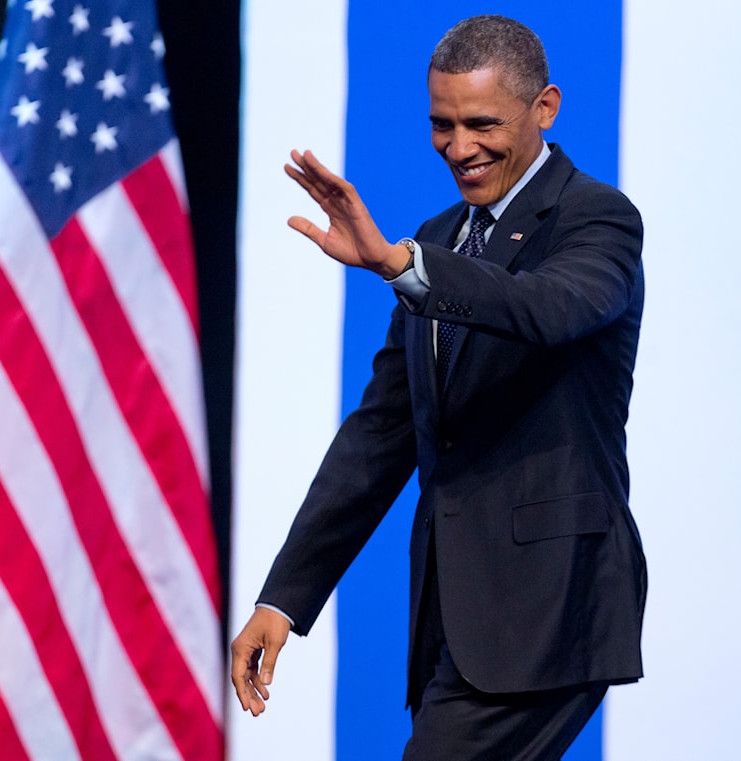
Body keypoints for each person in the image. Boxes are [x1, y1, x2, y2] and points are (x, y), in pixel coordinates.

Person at [229, 14, 647, 760]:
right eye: (441, 124)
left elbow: (546, 311)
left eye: (481, 123)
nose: (459, 147)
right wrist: (284, 598)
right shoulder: (441, 234)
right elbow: (381, 436)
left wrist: (400, 267)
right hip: (453, 622)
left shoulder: (596, 218)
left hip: (549, 610)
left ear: (543, 108)